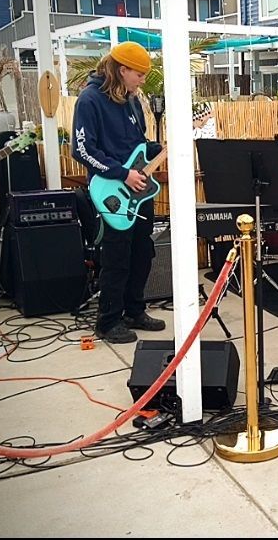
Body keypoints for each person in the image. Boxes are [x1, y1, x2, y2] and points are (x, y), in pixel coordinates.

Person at [71, 41, 165, 344]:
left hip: (139, 191)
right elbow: (82, 150)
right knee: (117, 258)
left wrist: (157, 149)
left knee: (142, 253)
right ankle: (108, 321)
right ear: (122, 70)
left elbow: (136, 145)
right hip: (112, 191)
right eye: (139, 74)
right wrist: (122, 174)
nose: (142, 81)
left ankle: (134, 310)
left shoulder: (132, 101)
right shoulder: (89, 100)